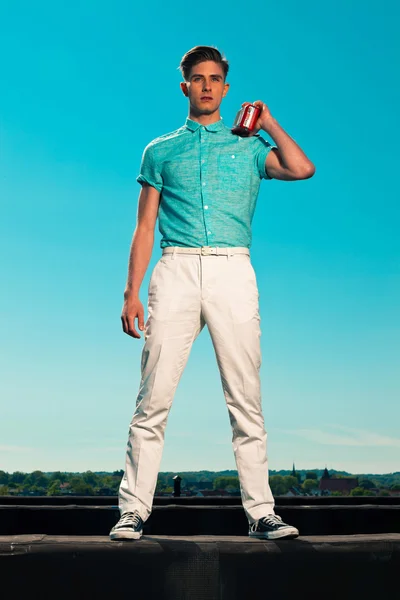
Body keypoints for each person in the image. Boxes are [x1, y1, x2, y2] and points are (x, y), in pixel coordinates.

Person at [110, 46, 315, 541]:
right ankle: (133, 510)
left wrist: (269, 122)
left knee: (246, 398)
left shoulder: (249, 146)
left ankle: (261, 513)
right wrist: (130, 293)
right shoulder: (159, 150)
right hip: (175, 268)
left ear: (226, 88)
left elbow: (302, 168)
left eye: (214, 78)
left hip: (233, 270)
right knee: (153, 398)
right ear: (185, 86)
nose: (205, 85)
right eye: (197, 78)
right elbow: (144, 227)